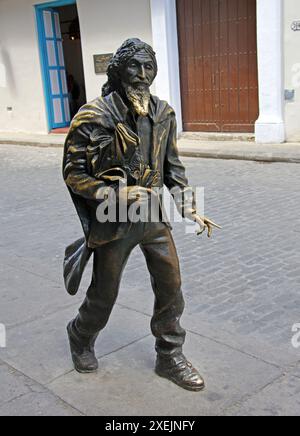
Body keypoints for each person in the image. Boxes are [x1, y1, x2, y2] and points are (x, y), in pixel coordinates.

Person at [63, 38, 220, 392]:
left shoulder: (164, 113)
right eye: (135, 66)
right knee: (105, 294)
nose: (142, 75)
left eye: (148, 67)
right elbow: (74, 174)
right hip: (112, 215)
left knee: (171, 285)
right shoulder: (94, 116)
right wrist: (116, 193)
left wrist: (190, 206)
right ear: (118, 70)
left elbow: (173, 169)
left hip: (152, 214)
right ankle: (80, 334)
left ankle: (169, 355)